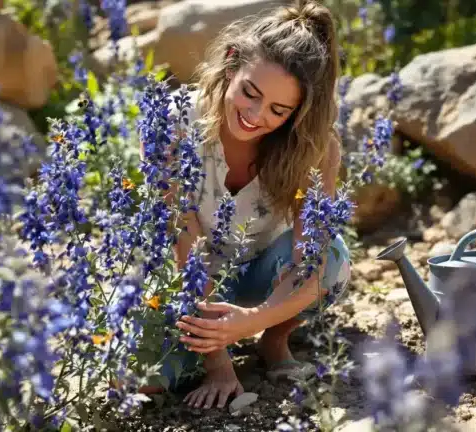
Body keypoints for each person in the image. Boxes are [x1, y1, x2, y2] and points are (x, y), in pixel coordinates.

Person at [150, 0, 352, 409]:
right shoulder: (172, 124)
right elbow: (182, 248)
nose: (256, 116)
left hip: (265, 276)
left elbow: (310, 261)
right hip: (183, 279)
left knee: (331, 259)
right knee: (144, 381)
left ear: (299, 112)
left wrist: (254, 322)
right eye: (250, 93)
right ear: (230, 65)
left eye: (279, 110)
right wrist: (219, 366)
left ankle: (275, 341)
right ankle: (210, 345)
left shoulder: (314, 148)